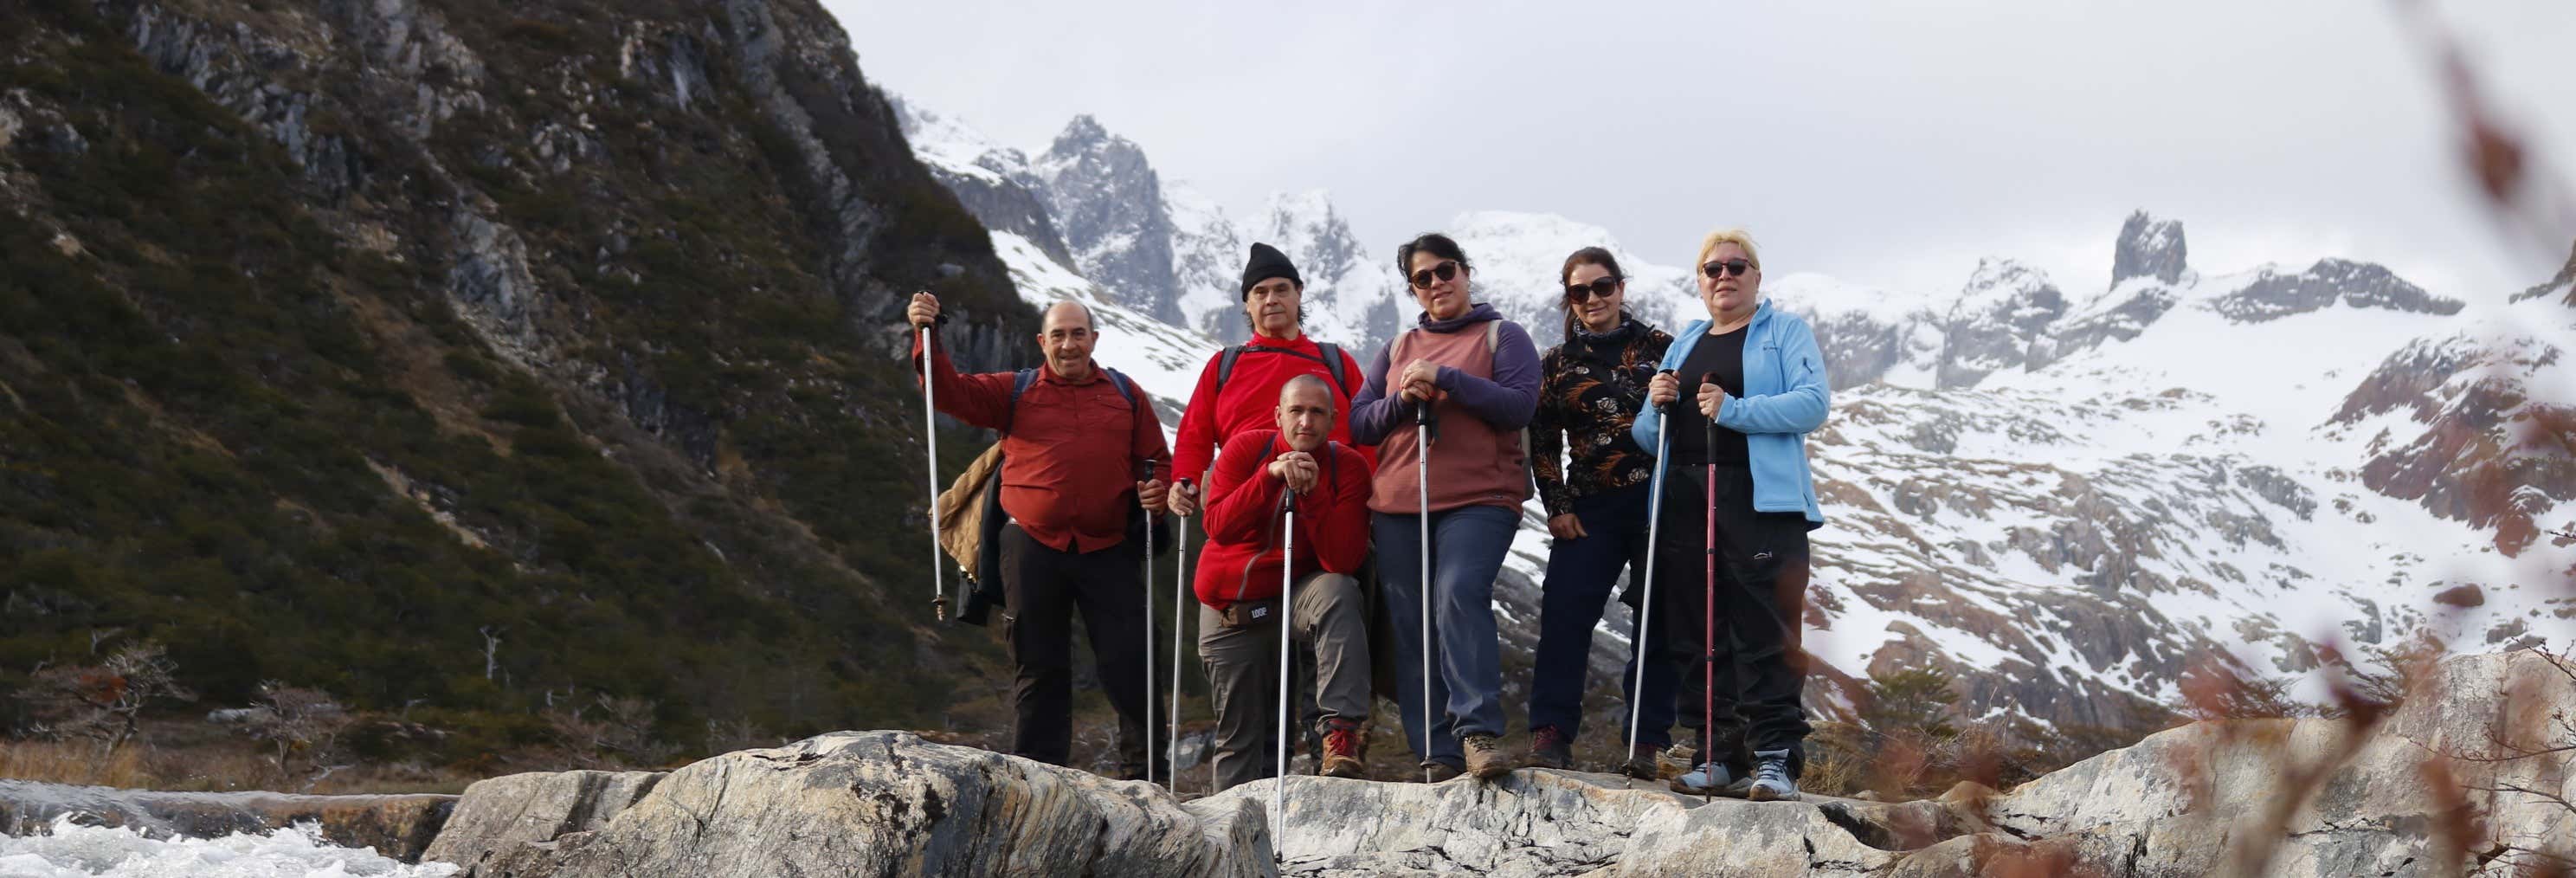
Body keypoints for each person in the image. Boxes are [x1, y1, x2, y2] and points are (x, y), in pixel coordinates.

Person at [909, 292, 1172, 779]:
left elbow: (1156, 460)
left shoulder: (1125, 394)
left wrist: (1157, 493)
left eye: (1077, 334)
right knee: (1037, 666)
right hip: (1031, 545)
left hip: (1109, 546)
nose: (1068, 345)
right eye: (1058, 335)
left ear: (1094, 339)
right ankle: (1037, 783)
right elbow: (949, 394)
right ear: (1042, 341)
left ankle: (1146, 780)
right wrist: (928, 338)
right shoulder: (1015, 390)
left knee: (1133, 661)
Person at [1632, 229, 1828, 801]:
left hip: (1760, 499)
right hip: (1685, 498)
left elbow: (1813, 403)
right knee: (1699, 629)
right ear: (1699, 282)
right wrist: (1654, 402)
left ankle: (1775, 759)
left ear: (1756, 277)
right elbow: (1650, 437)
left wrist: (1734, 409)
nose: (1724, 276)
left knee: (1765, 629)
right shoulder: (1686, 342)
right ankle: (1716, 753)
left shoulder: (1785, 332)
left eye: (1736, 266)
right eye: (1712, 269)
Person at [1348, 232, 1542, 781]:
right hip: (1399, 503)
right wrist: (1403, 400)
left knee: (1458, 592)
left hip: (1481, 497)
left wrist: (1446, 379)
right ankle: (1436, 750)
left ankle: (1476, 732)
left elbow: (1518, 406)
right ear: (1413, 288)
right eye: (1422, 278)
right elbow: (1361, 422)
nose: (1436, 283)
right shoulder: (1394, 348)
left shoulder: (1504, 336)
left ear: (1465, 271)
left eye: (1445, 270)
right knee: (1411, 624)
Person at [1523, 247, 1678, 778]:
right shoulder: (1557, 363)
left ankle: (1646, 742)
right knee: (1565, 615)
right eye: (1579, 291)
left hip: (1660, 504)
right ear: (1569, 298)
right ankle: (1551, 732)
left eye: (1602, 286)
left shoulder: (1666, 348)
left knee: (1657, 621)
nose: (1592, 298)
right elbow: (1541, 442)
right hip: (1589, 507)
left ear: (1621, 288)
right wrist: (1557, 506)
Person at [1192, 376, 1375, 791]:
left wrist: (1311, 497)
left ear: (1333, 420)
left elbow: (1342, 560)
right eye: (1296, 411)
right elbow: (1217, 525)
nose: (1305, 422)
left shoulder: (1347, 467)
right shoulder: (1245, 449)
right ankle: (1229, 835)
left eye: (1316, 413)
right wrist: (1270, 476)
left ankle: (1340, 733)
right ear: (1279, 415)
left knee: (1339, 592)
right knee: (1240, 736)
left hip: (1297, 596)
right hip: (1231, 603)